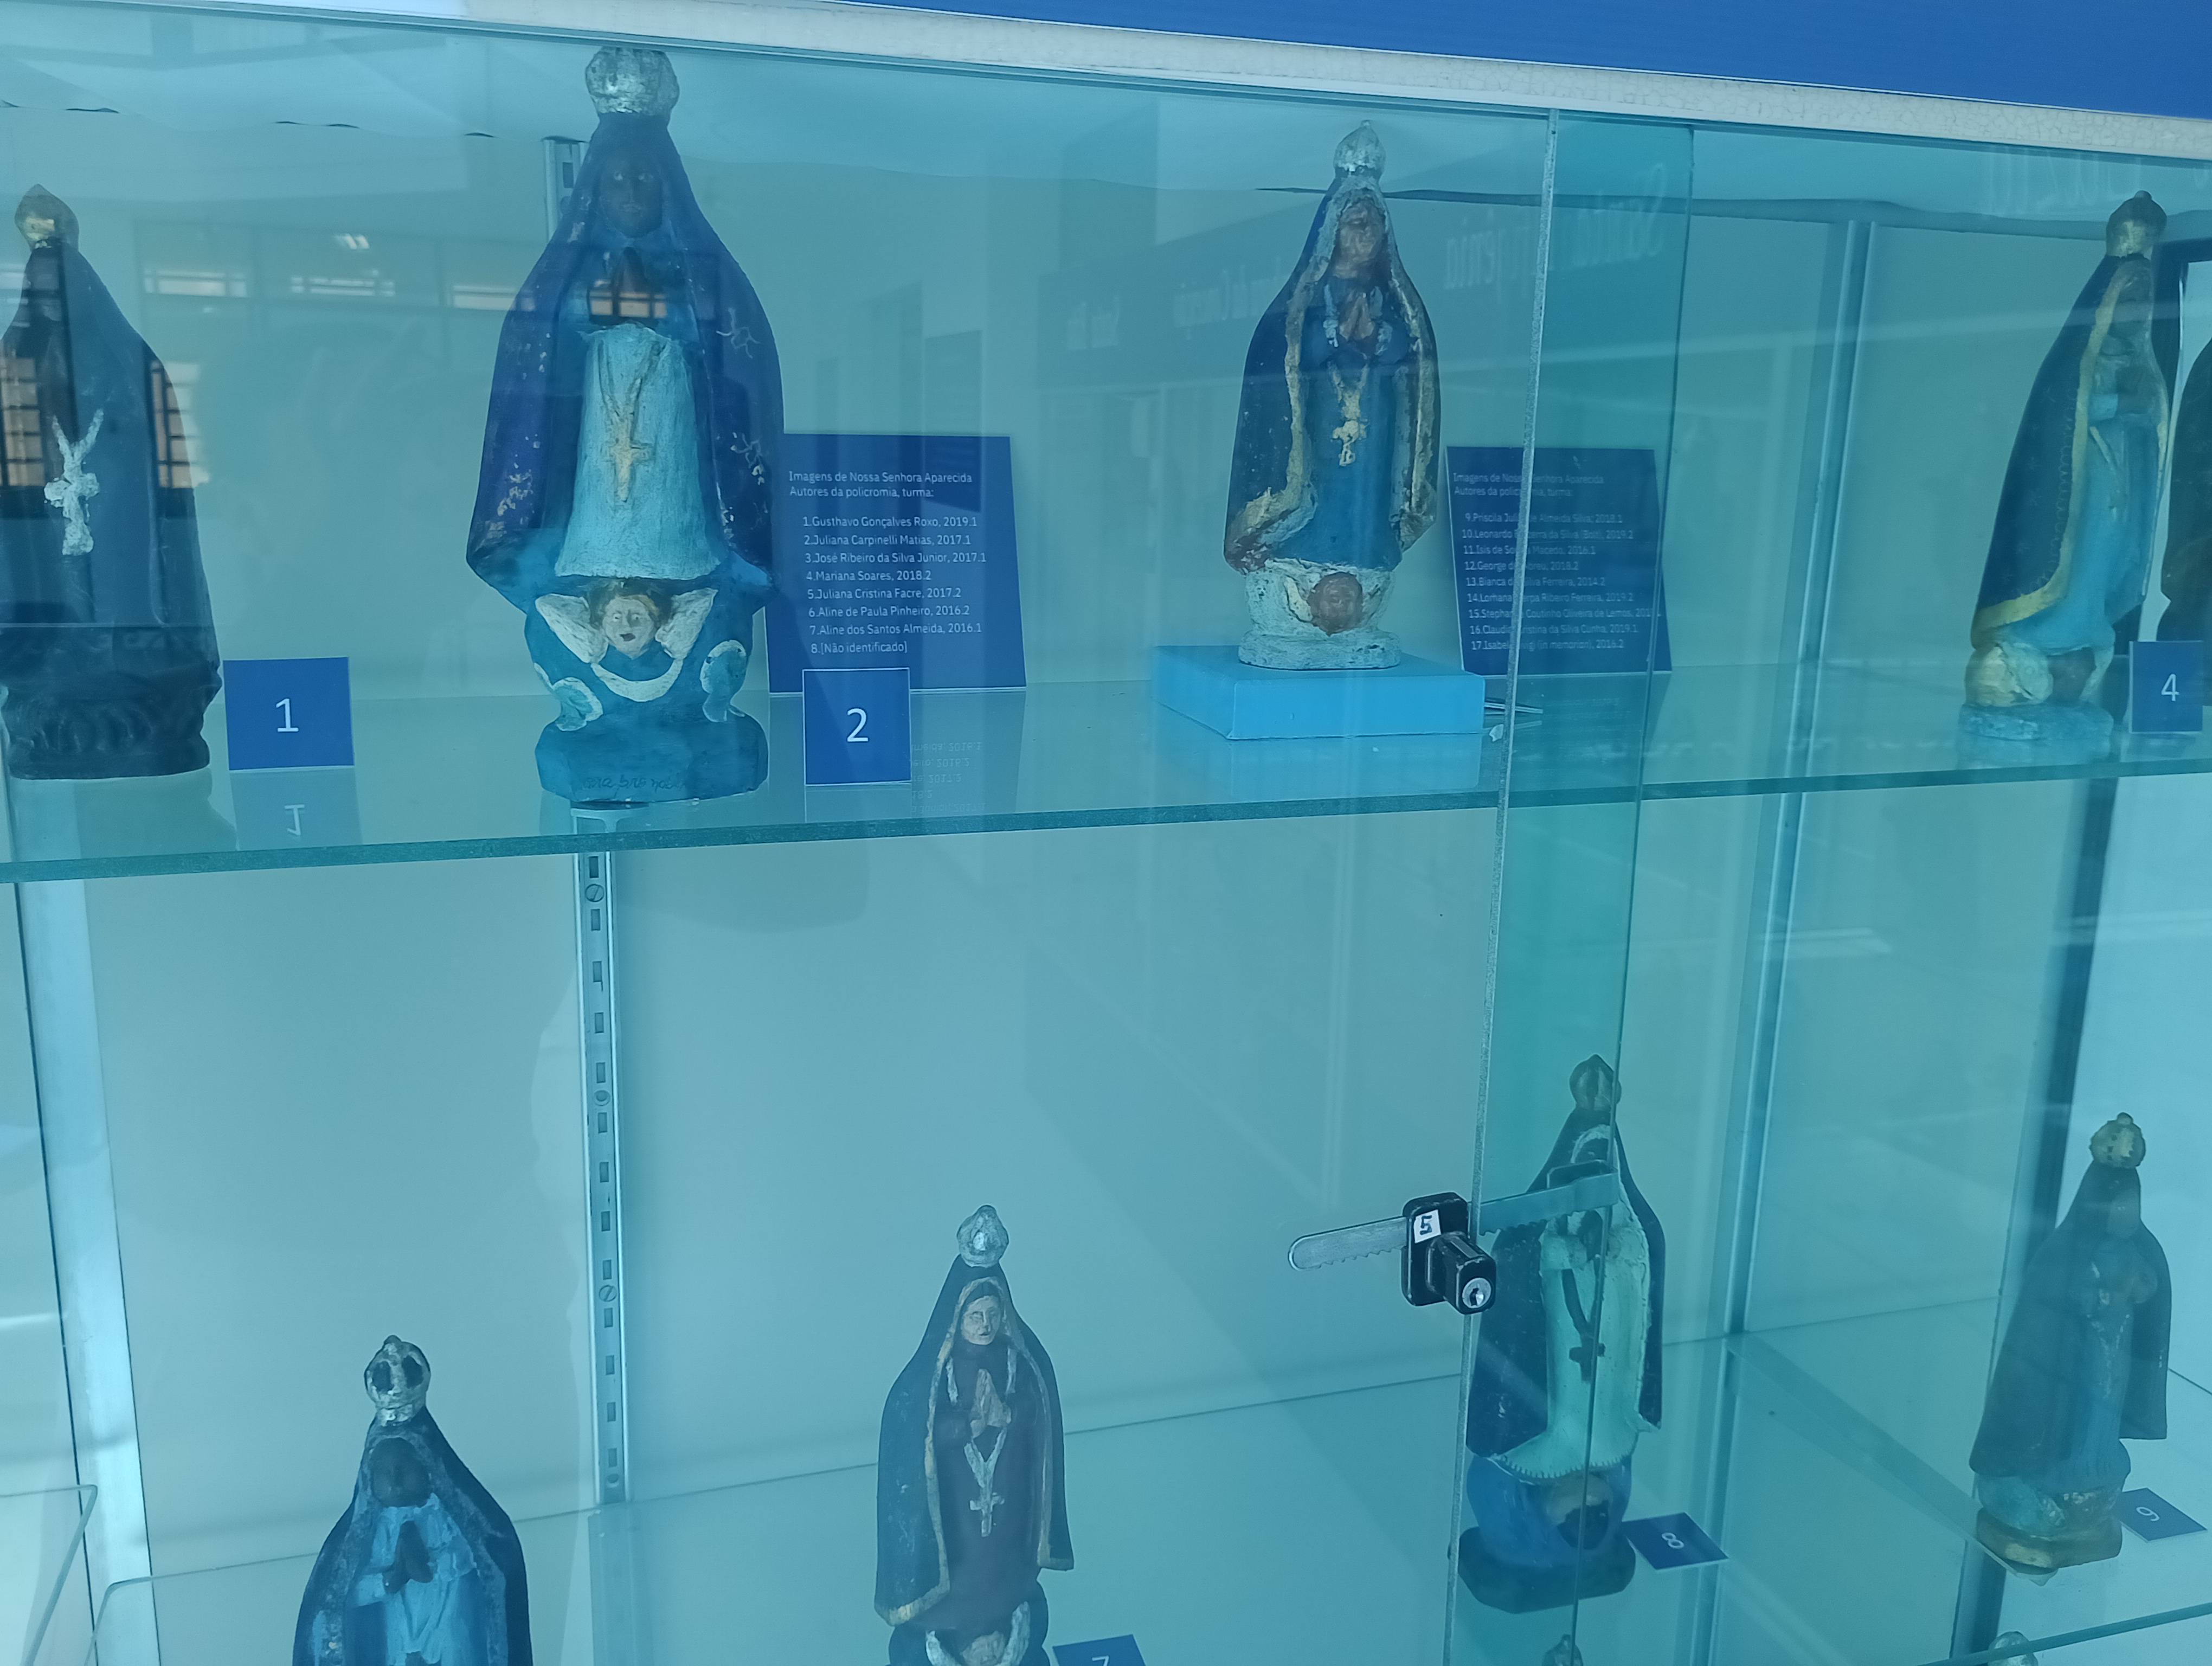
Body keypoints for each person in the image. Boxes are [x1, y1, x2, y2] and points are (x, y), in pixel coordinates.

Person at [1223, 124, 1439, 670]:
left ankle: (1355, 599)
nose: (1366, 236)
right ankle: (1301, 583)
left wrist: (1379, 341)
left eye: (1374, 226)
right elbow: (1281, 360)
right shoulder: (1304, 300)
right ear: (1334, 230)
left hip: (1375, 430)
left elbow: (1414, 361)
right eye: (1356, 224)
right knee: (1314, 496)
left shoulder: (1394, 300)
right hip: (1315, 428)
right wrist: (1333, 339)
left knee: (1365, 501)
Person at [878, 1207, 1071, 1666]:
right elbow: (911, 1432)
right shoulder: (927, 1378)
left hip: (1008, 1508)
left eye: (992, 1314)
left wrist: (1012, 1415)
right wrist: (964, 1428)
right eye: (974, 1316)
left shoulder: (1021, 1362)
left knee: (1005, 1575)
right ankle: (954, 1628)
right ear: (956, 1318)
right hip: (954, 1511)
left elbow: (1040, 1411)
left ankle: (1002, 1618)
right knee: (958, 1571)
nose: (985, 1325)